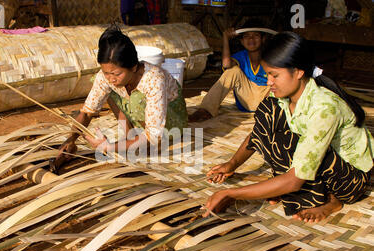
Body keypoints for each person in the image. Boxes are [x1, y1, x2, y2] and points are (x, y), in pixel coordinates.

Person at [204, 31, 374, 223]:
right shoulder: (281, 98)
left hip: (347, 179)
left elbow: (295, 179)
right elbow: (258, 133)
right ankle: (283, 186)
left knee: (291, 144)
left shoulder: (324, 108)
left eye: (274, 75)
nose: (269, 82)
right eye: (267, 74)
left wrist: (231, 194)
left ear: (299, 71)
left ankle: (332, 201)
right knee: (270, 114)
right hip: (316, 168)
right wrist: (231, 164)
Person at [50, 25, 188, 172]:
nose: (111, 78)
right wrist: (71, 139)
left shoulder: (154, 79)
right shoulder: (106, 77)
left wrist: (109, 147)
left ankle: (137, 140)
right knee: (107, 89)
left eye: (116, 74)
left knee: (136, 101)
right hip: (140, 120)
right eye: (106, 72)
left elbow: (154, 135)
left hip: (170, 123)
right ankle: (130, 136)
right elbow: (87, 112)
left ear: (134, 67)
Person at [189, 19, 271, 122]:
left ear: (263, 39)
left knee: (279, 79)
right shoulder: (240, 56)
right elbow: (226, 64)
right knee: (232, 71)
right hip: (247, 99)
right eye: (246, 36)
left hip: (267, 101)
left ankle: (268, 114)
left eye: (256, 35)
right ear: (241, 41)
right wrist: (226, 39)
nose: (251, 39)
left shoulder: (270, 57)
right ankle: (205, 110)